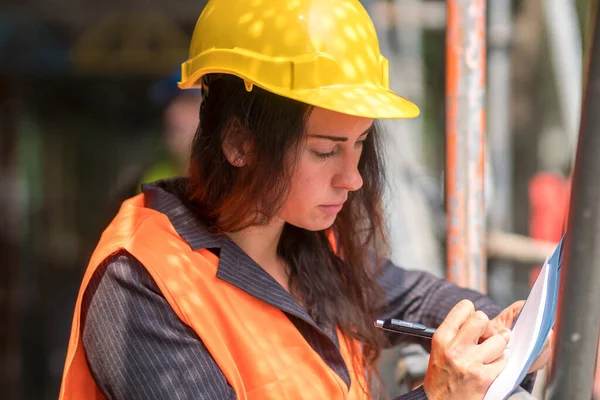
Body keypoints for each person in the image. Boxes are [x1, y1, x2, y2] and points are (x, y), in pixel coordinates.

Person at [58, 1, 553, 399]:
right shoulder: (141, 284)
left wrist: (500, 333)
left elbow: (423, 299)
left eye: (359, 145)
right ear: (240, 144)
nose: (353, 178)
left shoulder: (306, 243)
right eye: (324, 151)